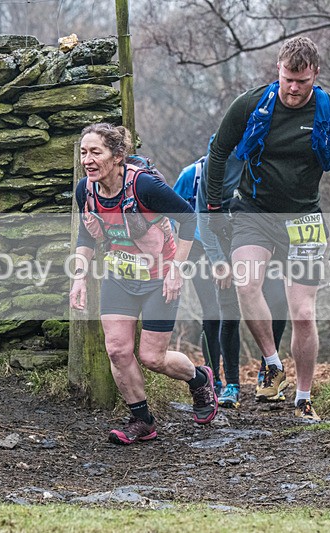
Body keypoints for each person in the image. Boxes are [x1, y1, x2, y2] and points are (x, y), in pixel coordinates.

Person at [205, 37, 330, 422]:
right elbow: (218, 153)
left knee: (303, 313)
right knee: (246, 283)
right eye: (287, 79)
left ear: (315, 75)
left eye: (302, 82)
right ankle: (273, 364)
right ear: (278, 70)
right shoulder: (250, 105)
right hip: (253, 212)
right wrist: (214, 210)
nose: (293, 88)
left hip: (304, 218)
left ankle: (303, 398)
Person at [69, 123, 218, 445]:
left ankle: (198, 378)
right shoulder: (86, 190)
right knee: (117, 350)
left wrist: (177, 269)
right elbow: (86, 235)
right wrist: (79, 277)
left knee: (153, 358)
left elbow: (188, 218)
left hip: (159, 279)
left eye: (96, 152)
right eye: (83, 153)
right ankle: (142, 420)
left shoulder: (144, 186)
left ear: (117, 156)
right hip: (119, 277)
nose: (87, 160)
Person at [178, 139, 289, 408]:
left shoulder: (262, 160)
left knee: (277, 303)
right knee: (226, 314)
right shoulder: (203, 170)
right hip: (221, 245)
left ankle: (269, 373)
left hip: (264, 243)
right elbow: (201, 216)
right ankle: (230, 385)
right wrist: (218, 261)